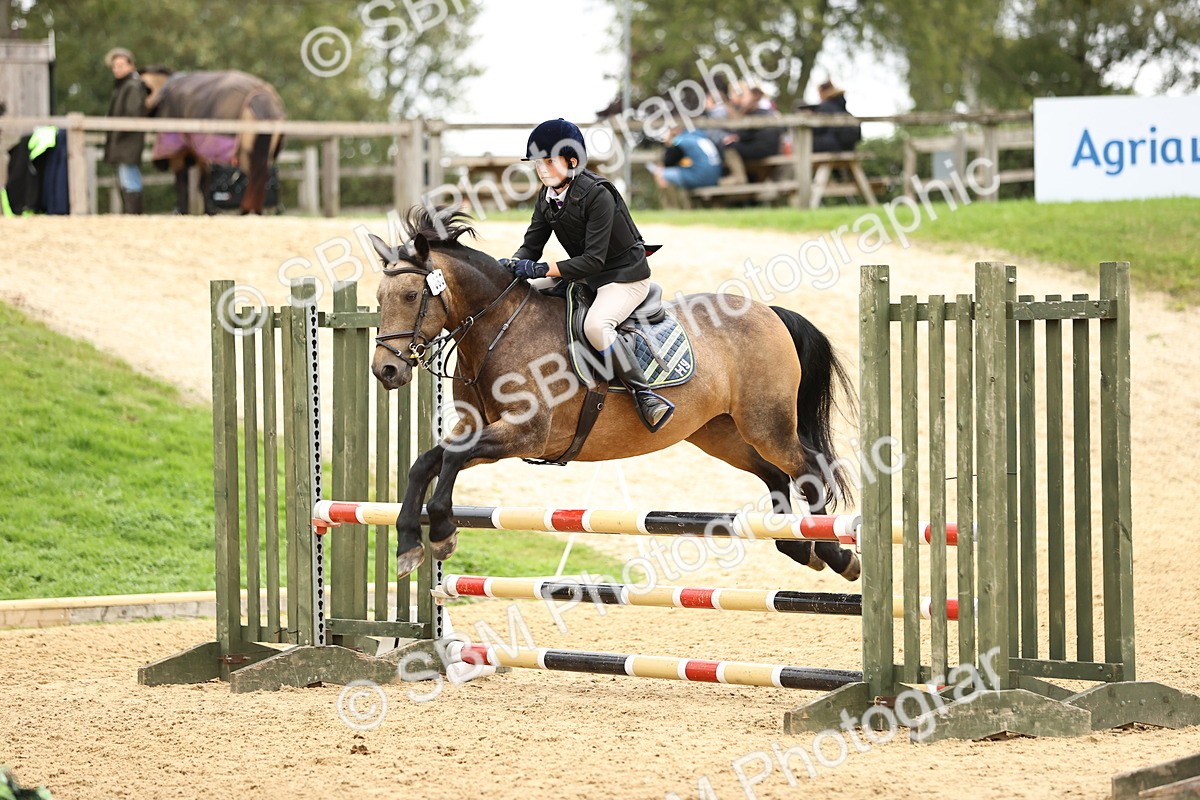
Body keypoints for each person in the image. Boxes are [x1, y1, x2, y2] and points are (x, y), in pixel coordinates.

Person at [501, 118, 674, 432]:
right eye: (538, 163)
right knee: (526, 297)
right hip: (585, 276)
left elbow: (593, 260)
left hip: (623, 277)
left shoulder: (598, 194)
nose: (542, 170)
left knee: (596, 326)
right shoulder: (546, 197)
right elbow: (531, 246)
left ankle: (645, 395)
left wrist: (541, 269)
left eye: (549, 162)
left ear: (572, 161)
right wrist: (513, 266)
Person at [102, 47, 147, 214]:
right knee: (126, 177)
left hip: (127, 140)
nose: (117, 69)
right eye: (115, 66)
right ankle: (132, 213)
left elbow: (132, 113)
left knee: (129, 178)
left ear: (131, 65)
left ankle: (133, 214)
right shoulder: (124, 86)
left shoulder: (132, 86)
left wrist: (118, 133)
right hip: (123, 140)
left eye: (121, 65)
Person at [722, 82, 784, 167]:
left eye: (742, 95)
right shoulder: (765, 112)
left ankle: (738, 174)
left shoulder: (755, 114)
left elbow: (743, 134)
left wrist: (736, 138)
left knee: (730, 147)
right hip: (771, 149)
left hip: (762, 149)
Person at [649, 122, 723, 191]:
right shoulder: (698, 135)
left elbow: (669, 161)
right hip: (715, 177)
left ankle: (666, 198)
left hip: (702, 178)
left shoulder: (680, 141)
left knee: (659, 173)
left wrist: (668, 145)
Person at [811, 80, 862, 153]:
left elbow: (816, 129)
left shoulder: (825, 107)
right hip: (849, 147)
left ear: (822, 92)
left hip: (833, 145)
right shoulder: (841, 107)